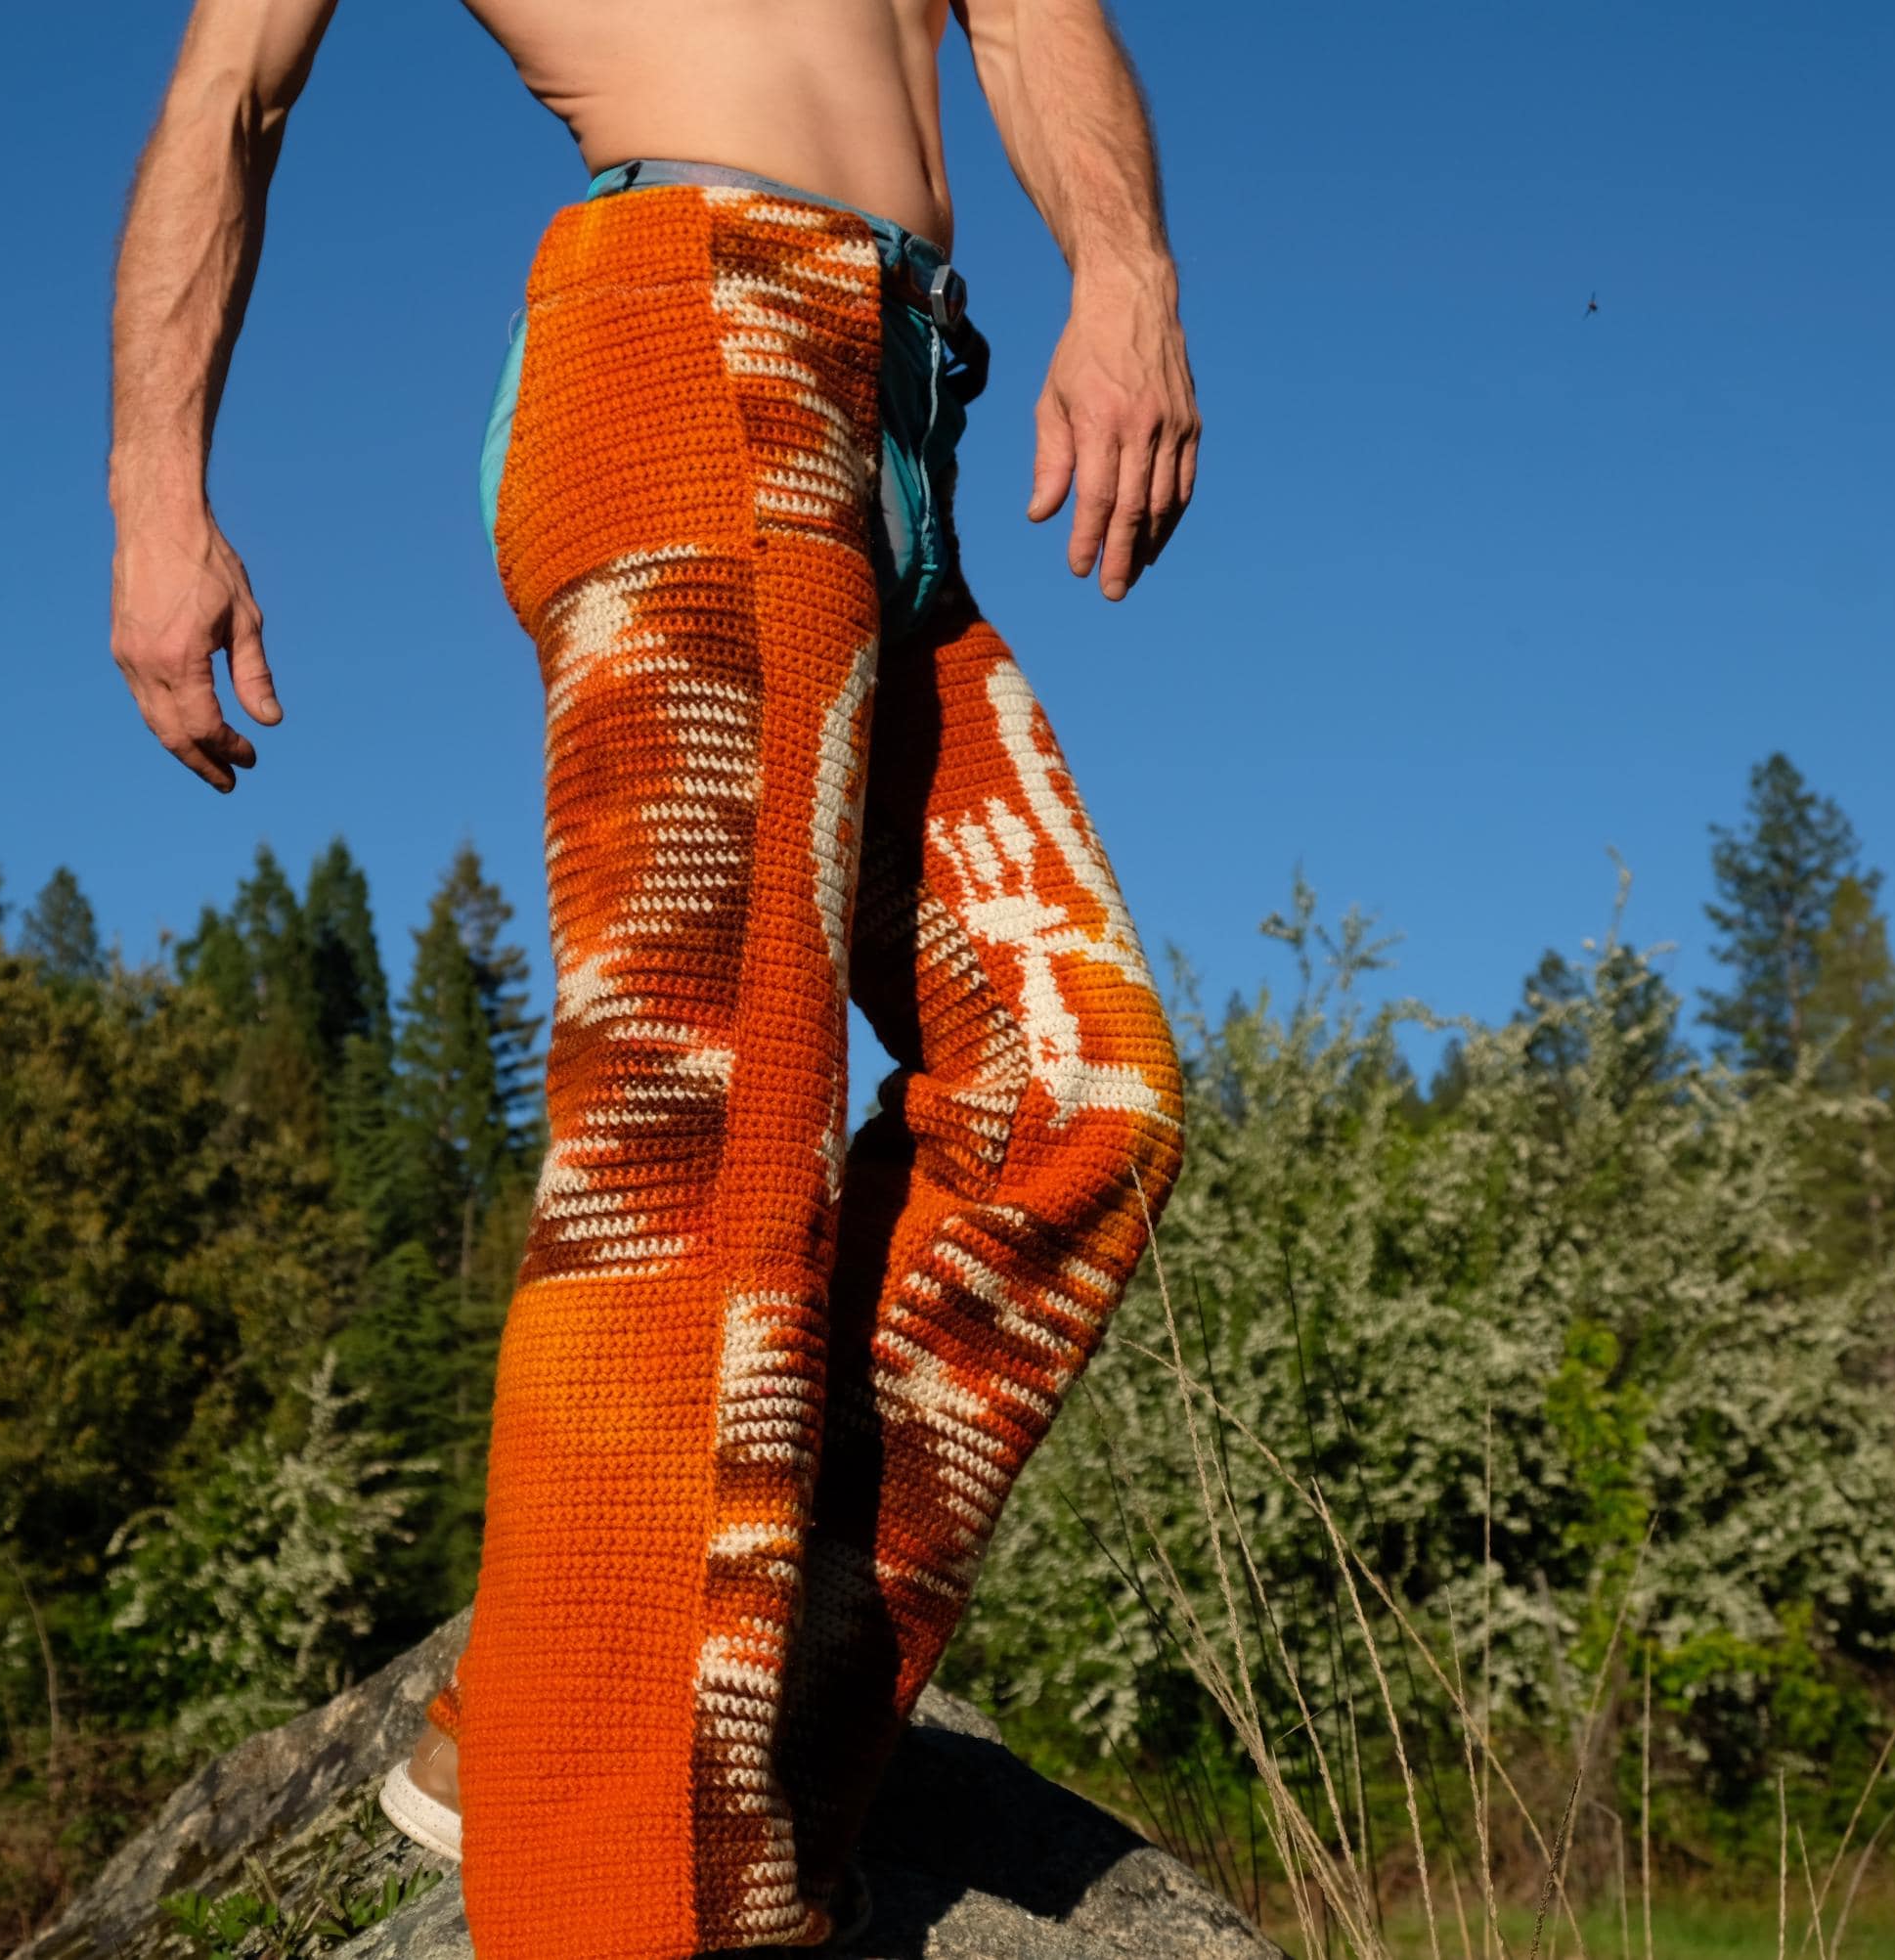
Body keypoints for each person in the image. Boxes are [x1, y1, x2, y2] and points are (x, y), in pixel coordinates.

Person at [108, 4, 1196, 1955]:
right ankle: (630, 1882)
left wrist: (1125, 274)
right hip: (697, 319)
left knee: (1072, 1094)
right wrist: (153, 493)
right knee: (704, 1122)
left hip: (898, 415)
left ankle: (619, 1733)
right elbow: (233, 87)